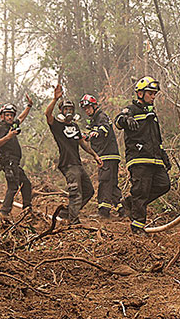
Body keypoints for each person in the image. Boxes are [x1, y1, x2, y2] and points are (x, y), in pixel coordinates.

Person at [115, 76, 171, 234]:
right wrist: (126, 119)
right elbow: (118, 121)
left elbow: (156, 139)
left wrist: (163, 155)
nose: (153, 96)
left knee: (164, 185)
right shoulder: (131, 109)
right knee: (141, 191)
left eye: (155, 94)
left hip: (155, 159)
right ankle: (137, 228)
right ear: (140, 94)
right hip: (139, 159)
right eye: (150, 93)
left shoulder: (152, 115)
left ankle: (129, 203)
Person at [45, 84, 102, 224]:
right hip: (67, 164)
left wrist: (94, 155)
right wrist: (54, 99)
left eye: (71, 109)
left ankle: (67, 213)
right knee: (75, 192)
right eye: (66, 109)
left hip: (77, 164)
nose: (68, 111)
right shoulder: (57, 125)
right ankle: (73, 220)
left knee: (88, 191)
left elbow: (82, 143)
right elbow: (47, 114)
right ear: (61, 111)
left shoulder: (75, 126)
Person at [81, 94, 123, 218]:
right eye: (85, 109)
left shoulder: (101, 116)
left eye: (89, 107)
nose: (87, 111)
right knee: (112, 183)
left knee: (104, 182)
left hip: (107, 155)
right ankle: (122, 209)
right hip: (110, 155)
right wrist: (87, 135)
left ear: (94, 106)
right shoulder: (94, 119)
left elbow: (104, 129)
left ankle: (103, 211)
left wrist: (95, 133)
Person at [0, 97, 33, 216]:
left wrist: (29, 106)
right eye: (7, 115)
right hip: (8, 162)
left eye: (11, 115)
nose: (10, 117)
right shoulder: (0, 129)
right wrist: (8, 136)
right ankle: (4, 213)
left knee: (26, 183)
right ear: (2, 116)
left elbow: (21, 118)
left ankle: (27, 209)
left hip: (15, 163)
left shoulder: (13, 126)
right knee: (13, 187)